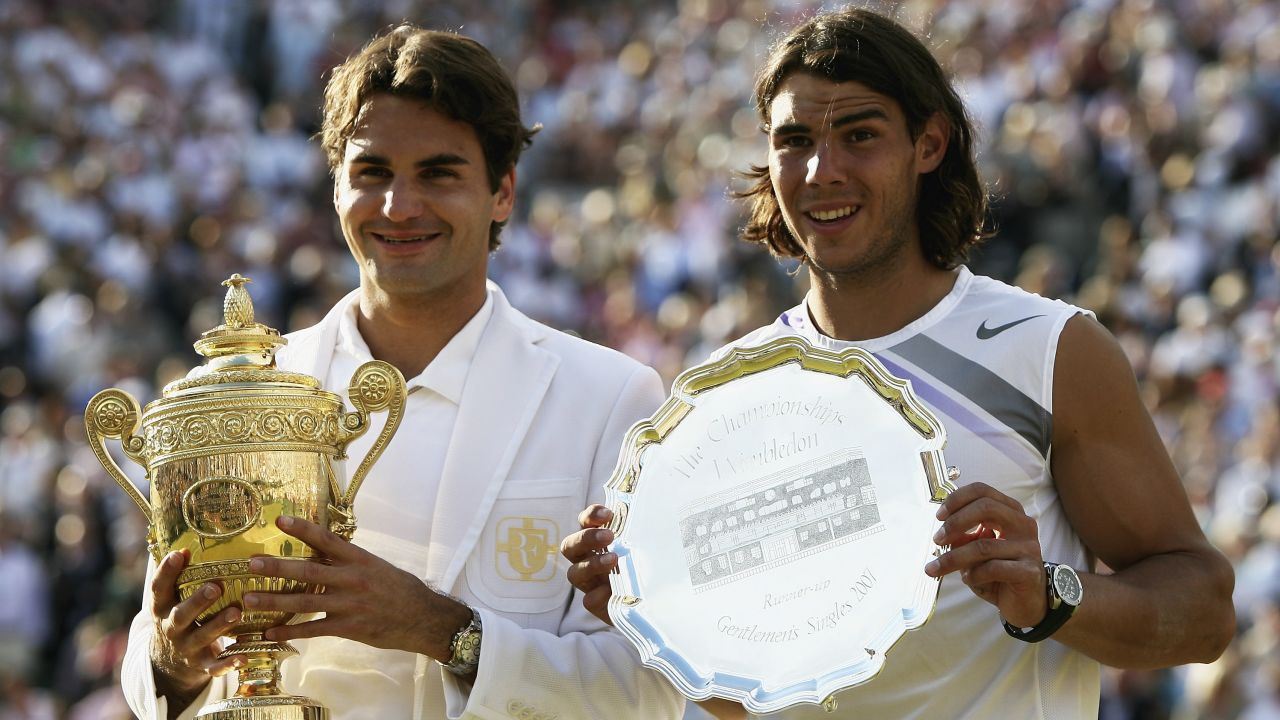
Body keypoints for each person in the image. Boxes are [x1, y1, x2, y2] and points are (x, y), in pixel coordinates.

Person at [560, 7, 1235, 719]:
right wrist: (652, 618)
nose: (823, 170)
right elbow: (757, 700)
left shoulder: (1049, 350)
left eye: (859, 135)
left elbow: (1204, 613)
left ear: (929, 144)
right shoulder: (728, 392)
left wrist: (1052, 594)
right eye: (795, 140)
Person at [119, 25, 685, 720]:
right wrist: (174, 665)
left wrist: (440, 631)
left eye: (438, 173)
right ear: (335, 190)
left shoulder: (609, 396)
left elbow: (649, 688)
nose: (399, 206)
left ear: (502, 192)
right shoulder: (235, 393)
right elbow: (154, 667)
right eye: (372, 172)